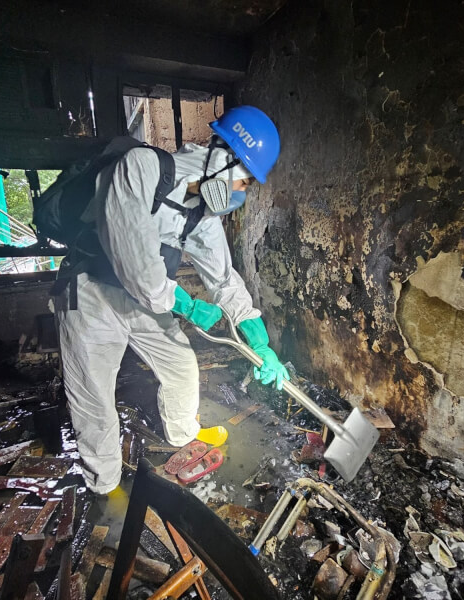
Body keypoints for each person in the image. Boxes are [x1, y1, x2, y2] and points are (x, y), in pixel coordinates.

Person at [52, 105, 290, 494]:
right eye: (244, 182)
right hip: (90, 293)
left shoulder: (202, 214)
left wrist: (257, 338)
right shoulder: (140, 167)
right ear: (222, 160)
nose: (242, 194)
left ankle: (183, 434)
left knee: (181, 364)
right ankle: (105, 486)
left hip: (148, 299)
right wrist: (189, 306)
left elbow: (224, 280)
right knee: (94, 398)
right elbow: (136, 264)